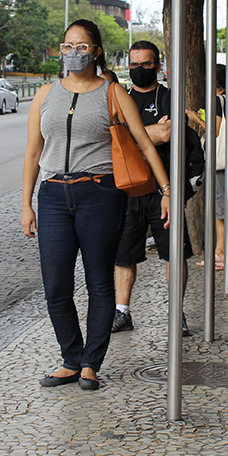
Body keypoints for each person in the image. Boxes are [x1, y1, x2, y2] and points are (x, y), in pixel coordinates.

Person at [22, 20, 172, 391]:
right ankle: (70, 358)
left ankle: (91, 363)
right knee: (56, 286)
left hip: (100, 195)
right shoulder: (45, 94)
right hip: (54, 195)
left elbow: (144, 143)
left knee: (99, 283)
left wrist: (167, 189)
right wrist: (25, 203)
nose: (74, 52)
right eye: (68, 45)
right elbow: (32, 151)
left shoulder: (112, 94)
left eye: (82, 46)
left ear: (96, 51)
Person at [111, 40, 201, 336]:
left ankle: (177, 313)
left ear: (158, 66)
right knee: (123, 256)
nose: (139, 69)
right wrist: (154, 133)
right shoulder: (119, 99)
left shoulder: (170, 99)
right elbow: (113, 140)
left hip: (165, 192)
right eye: (134, 64)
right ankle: (121, 312)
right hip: (127, 191)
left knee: (174, 253)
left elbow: (175, 134)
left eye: (146, 64)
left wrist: (132, 135)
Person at [188, 64, 228, 270]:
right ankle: (225, 252)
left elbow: (214, 129)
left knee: (223, 208)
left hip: (220, 161)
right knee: (224, 207)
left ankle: (224, 254)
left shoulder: (217, 101)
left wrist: (195, 118)